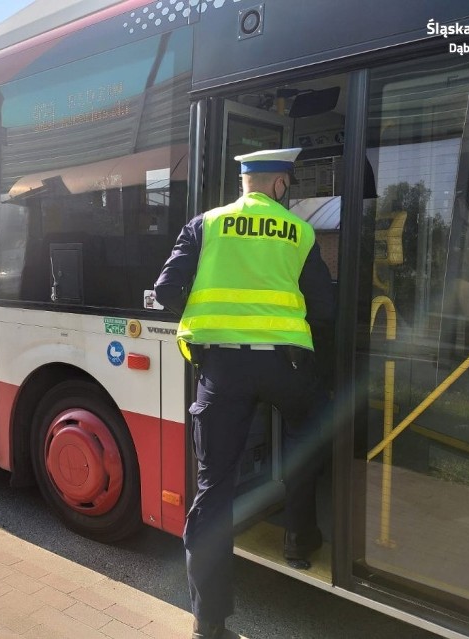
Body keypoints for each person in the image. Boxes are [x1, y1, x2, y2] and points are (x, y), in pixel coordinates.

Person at [154, 148, 335, 639]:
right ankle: (299, 544)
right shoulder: (299, 232)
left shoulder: (205, 225)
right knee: (305, 439)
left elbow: (166, 293)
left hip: (223, 369)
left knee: (213, 488)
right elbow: (325, 306)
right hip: (285, 365)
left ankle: (208, 622)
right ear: (280, 185)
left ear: (245, 183)